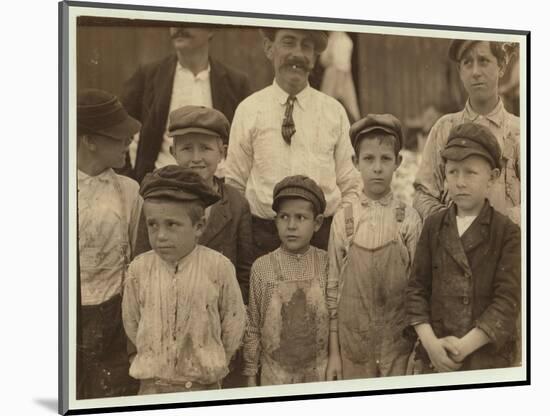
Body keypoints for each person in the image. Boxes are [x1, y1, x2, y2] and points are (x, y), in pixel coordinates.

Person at [132, 105, 255, 388]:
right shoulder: (156, 201)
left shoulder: (235, 204)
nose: (196, 158)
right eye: (187, 148)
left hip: (210, 336)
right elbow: (140, 269)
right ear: (173, 152)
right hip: (161, 338)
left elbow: (244, 274)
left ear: (222, 151)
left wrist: (227, 345)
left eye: (206, 149)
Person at [225, 28, 362, 257]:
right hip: (263, 239)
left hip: (322, 238)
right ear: (269, 48)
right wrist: (246, 240)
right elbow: (234, 184)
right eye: (289, 43)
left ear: (315, 57)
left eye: (306, 46)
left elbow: (351, 184)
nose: (297, 54)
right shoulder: (249, 109)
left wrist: (338, 233)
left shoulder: (333, 112)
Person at [407, 123, 521, 373]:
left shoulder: (506, 233)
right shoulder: (433, 226)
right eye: (452, 172)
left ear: (492, 177)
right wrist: (431, 344)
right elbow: (416, 290)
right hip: (434, 355)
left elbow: (506, 303)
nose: (459, 182)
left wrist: (463, 347)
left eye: (470, 173)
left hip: (485, 358)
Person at [122, 166, 246, 395]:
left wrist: (212, 363)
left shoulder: (218, 268)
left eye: (171, 224)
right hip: (152, 387)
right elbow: (132, 321)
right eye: (153, 224)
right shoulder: (139, 269)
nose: (160, 235)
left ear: (198, 227)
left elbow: (233, 324)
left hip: (204, 386)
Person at [326, 114, 422, 380]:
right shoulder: (344, 219)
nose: (377, 168)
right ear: (356, 163)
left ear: (398, 162)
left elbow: (419, 289)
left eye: (385, 159)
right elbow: (333, 290)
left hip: (398, 345)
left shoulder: (409, 219)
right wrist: (335, 354)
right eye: (369, 159)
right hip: (353, 346)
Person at [76, 88, 143, 398]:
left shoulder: (129, 191)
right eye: (118, 137)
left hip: (114, 320)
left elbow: (135, 257)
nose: (127, 142)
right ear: (89, 140)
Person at [121, 25, 251, 182]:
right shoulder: (149, 75)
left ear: (211, 28)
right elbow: (119, 129)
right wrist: (129, 180)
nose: (178, 27)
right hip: (159, 188)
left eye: (189, 19)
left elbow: (245, 145)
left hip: (216, 189)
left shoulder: (235, 83)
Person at [413, 39, 521, 224]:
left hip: (507, 244)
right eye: (467, 63)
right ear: (460, 72)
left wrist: (498, 226)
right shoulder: (444, 129)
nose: (476, 72)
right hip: (456, 244)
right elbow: (423, 193)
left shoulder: (521, 132)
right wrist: (451, 224)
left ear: (501, 67)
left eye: (484, 61)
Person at [243, 175, 330, 386]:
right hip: (275, 377)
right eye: (284, 217)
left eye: (300, 217)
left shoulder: (326, 263)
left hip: (319, 375)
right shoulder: (262, 268)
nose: (291, 225)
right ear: (275, 221)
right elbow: (253, 326)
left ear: (317, 223)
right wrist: (250, 376)